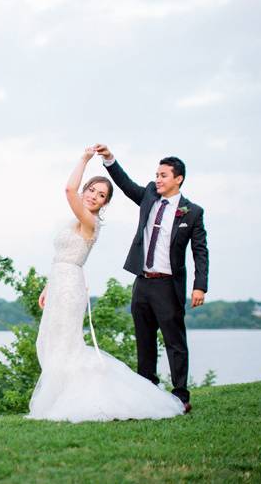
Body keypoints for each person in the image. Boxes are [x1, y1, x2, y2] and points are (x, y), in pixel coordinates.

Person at [25, 146, 185, 422]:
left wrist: (85, 159)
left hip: (71, 287)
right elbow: (62, 257)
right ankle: (59, 397)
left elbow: (67, 191)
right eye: (92, 191)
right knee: (52, 341)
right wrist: (48, 286)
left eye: (101, 196)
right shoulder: (74, 220)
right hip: (60, 282)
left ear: (103, 204)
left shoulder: (89, 222)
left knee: (66, 344)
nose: (93, 197)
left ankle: (76, 399)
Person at [95, 144, 208, 413]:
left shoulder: (192, 212)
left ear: (178, 179)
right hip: (143, 282)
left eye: (163, 175)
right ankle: (146, 391)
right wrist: (109, 160)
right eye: (156, 174)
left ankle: (181, 395)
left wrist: (199, 286)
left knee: (175, 343)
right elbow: (124, 184)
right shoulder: (148, 196)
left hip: (169, 285)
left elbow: (200, 251)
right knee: (144, 341)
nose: (158, 179)